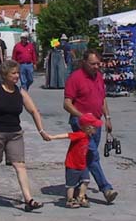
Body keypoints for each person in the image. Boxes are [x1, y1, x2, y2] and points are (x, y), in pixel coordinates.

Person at [0, 59, 46, 212]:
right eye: (14, 73)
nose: (17, 76)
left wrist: (41, 131)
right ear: (5, 75)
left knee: (20, 165)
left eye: (18, 73)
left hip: (14, 134)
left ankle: (28, 199)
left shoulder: (20, 92)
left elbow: (34, 111)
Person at [64, 48, 118, 204]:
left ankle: (79, 189)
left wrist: (107, 117)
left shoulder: (99, 77)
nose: (96, 67)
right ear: (84, 63)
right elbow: (66, 104)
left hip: (97, 122)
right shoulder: (75, 78)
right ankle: (106, 188)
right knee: (92, 155)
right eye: (93, 64)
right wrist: (82, 116)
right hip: (81, 123)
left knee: (86, 156)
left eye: (98, 64)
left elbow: (102, 100)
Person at [44, 112, 100, 208]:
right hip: (72, 165)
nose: (96, 128)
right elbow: (67, 135)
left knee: (86, 180)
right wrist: (52, 137)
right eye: (94, 126)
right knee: (71, 185)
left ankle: (80, 197)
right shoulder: (80, 135)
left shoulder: (88, 137)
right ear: (87, 127)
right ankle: (70, 200)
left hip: (82, 164)